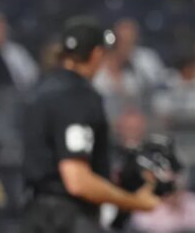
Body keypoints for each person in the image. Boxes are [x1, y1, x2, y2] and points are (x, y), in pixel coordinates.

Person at [21, 17, 159, 233]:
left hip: (35, 215)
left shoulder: (40, 90)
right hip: (68, 219)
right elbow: (77, 179)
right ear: (96, 54)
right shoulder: (77, 95)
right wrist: (134, 201)